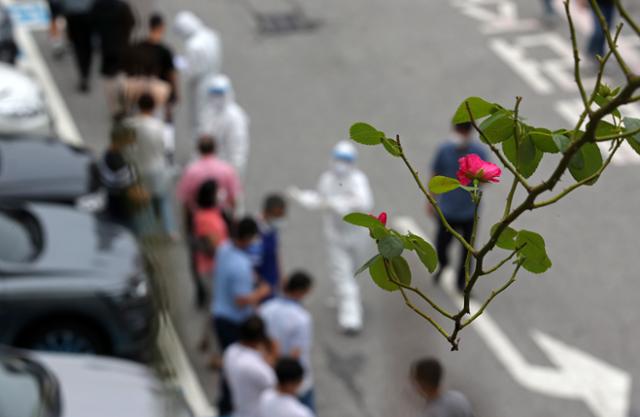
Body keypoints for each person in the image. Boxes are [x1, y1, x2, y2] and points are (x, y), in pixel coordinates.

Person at [289, 141, 373, 334]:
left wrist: (337, 203)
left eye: (345, 160)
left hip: (358, 234)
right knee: (342, 275)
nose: (340, 164)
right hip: (336, 235)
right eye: (338, 159)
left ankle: (346, 298)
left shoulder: (358, 180)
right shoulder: (326, 179)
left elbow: (365, 202)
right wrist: (304, 198)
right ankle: (351, 319)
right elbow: (321, 200)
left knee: (354, 272)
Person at [212, 218, 271, 415]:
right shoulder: (241, 265)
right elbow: (241, 300)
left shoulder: (224, 248)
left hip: (219, 311)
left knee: (229, 360)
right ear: (247, 238)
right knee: (234, 367)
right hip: (232, 320)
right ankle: (228, 406)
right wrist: (262, 291)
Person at [430, 123, 487, 293]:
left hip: (469, 211)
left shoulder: (479, 152)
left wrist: (474, 175)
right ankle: (443, 264)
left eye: (464, 131)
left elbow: (486, 178)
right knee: (441, 244)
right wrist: (431, 200)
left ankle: (462, 283)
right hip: (447, 209)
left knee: (468, 252)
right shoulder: (444, 150)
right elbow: (435, 174)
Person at [259, 272, 315, 411]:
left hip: (274, 375)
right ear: (303, 291)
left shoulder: (265, 309)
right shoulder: (301, 318)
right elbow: (295, 353)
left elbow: (261, 342)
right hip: (295, 379)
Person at [124, 93, 175, 236]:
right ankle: (169, 230)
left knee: (142, 202)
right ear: (153, 108)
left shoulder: (129, 125)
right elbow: (168, 149)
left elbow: (127, 150)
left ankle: (146, 231)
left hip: (139, 169)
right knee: (163, 199)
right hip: (158, 167)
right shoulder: (160, 127)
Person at [173, 11, 222, 136]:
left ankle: (201, 149)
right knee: (212, 114)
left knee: (199, 119)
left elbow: (191, 71)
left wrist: (179, 63)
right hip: (214, 77)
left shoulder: (193, 45)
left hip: (200, 86)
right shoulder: (211, 35)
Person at [96, 123, 151, 233]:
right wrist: (142, 195)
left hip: (115, 208)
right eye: (130, 141)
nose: (133, 144)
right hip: (121, 211)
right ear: (122, 140)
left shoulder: (109, 155)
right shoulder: (116, 163)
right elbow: (129, 189)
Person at [223, 315, 277, 417]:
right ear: (260, 338)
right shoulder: (257, 367)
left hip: (238, 409)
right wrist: (273, 357)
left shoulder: (230, 351)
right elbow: (278, 388)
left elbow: (227, 379)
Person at [177, 135, 242, 219]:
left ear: (199, 149)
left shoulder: (190, 171)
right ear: (215, 148)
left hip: (198, 219)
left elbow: (185, 200)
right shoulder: (227, 169)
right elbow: (234, 198)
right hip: (221, 218)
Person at [129, 13, 178, 122]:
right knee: (156, 124)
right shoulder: (164, 51)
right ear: (161, 27)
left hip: (137, 91)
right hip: (158, 93)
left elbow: (129, 70)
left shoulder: (137, 47)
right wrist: (174, 95)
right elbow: (171, 74)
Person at [198, 74, 250, 177]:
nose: (216, 98)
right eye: (214, 94)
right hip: (208, 167)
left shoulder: (235, 117)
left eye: (220, 94)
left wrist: (234, 172)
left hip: (226, 169)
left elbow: (238, 148)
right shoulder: (208, 112)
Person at [49, 0, 96, 92]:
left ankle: (84, 74)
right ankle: (85, 74)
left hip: (73, 14)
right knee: (86, 47)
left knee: (79, 47)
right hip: (86, 13)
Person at [249, 194, 287, 297]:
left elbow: (275, 253)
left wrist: (280, 276)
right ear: (268, 212)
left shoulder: (272, 228)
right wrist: (260, 286)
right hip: (259, 286)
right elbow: (251, 264)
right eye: (278, 215)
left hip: (272, 281)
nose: (281, 219)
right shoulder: (254, 231)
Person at [91, 0, 135, 79]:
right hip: (121, 46)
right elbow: (132, 22)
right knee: (121, 73)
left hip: (107, 45)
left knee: (109, 74)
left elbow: (92, 24)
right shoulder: (123, 6)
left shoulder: (98, 6)